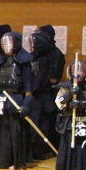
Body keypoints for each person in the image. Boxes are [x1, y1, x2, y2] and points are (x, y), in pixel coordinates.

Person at [0, 31, 32, 170]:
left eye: (9, 43)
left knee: (14, 132)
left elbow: (28, 89)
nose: (6, 46)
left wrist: (26, 104)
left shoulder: (24, 64)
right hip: (0, 99)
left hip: (15, 99)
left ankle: (16, 161)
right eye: (4, 43)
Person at [26, 27, 64, 160]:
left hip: (47, 94)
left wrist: (37, 84)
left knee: (45, 125)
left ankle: (42, 151)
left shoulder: (55, 55)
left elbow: (54, 79)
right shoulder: (35, 56)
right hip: (35, 94)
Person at [55, 60, 86, 170]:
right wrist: (69, 95)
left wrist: (82, 104)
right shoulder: (66, 87)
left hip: (83, 121)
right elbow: (59, 102)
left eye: (80, 70)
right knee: (68, 144)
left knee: (82, 145)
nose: (77, 73)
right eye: (74, 70)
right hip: (69, 119)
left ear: (85, 72)